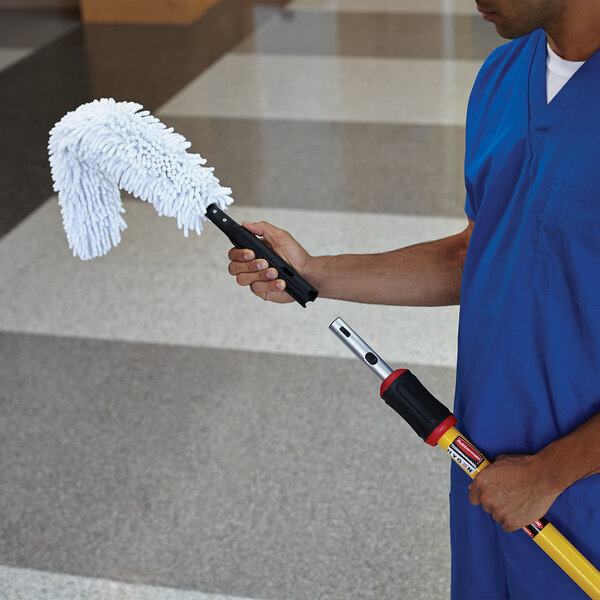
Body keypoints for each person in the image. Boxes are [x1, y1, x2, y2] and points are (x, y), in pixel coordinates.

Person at [227, 1, 600, 597]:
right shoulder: (503, 76)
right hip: (488, 464)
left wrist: (552, 471)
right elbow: (477, 255)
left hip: (579, 486)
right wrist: (312, 271)